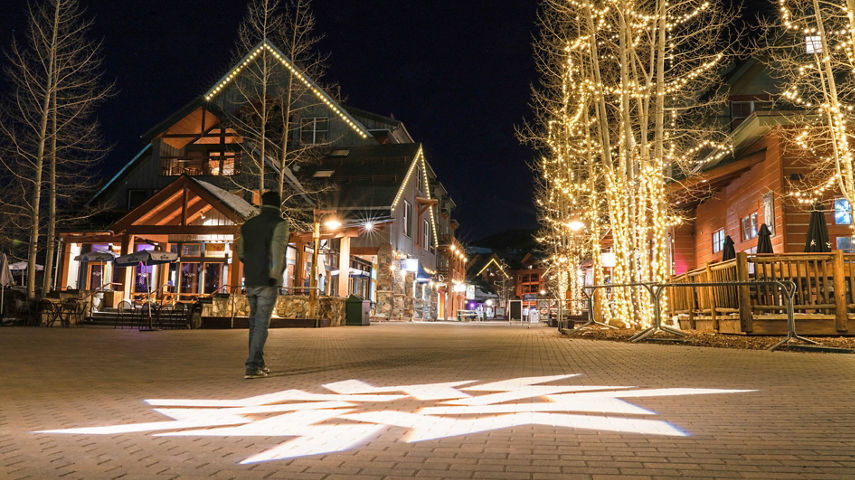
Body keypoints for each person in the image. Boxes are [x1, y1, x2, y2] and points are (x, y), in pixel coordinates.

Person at [237, 191, 289, 379]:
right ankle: (252, 365)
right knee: (261, 324)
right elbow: (277, 249)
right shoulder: (279, 224)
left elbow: (241, 253)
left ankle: (257, 363)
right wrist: (274, 275)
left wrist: (252, 265)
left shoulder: (248, 225)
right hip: (267, 280)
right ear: (278, 205)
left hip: (250, 279)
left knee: (254, 323)